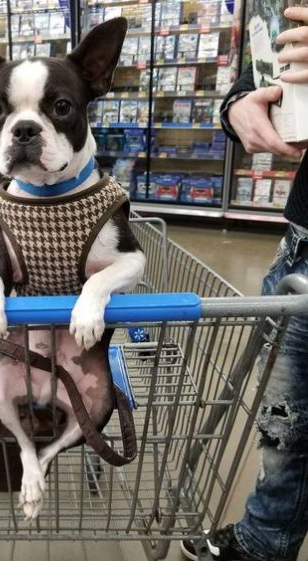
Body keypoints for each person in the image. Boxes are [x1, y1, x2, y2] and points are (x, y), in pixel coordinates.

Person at [181, 5, 308, 561]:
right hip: (303, 241)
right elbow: (259, 71)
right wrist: (238, 104)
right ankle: (265, 540)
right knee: (285, 427)